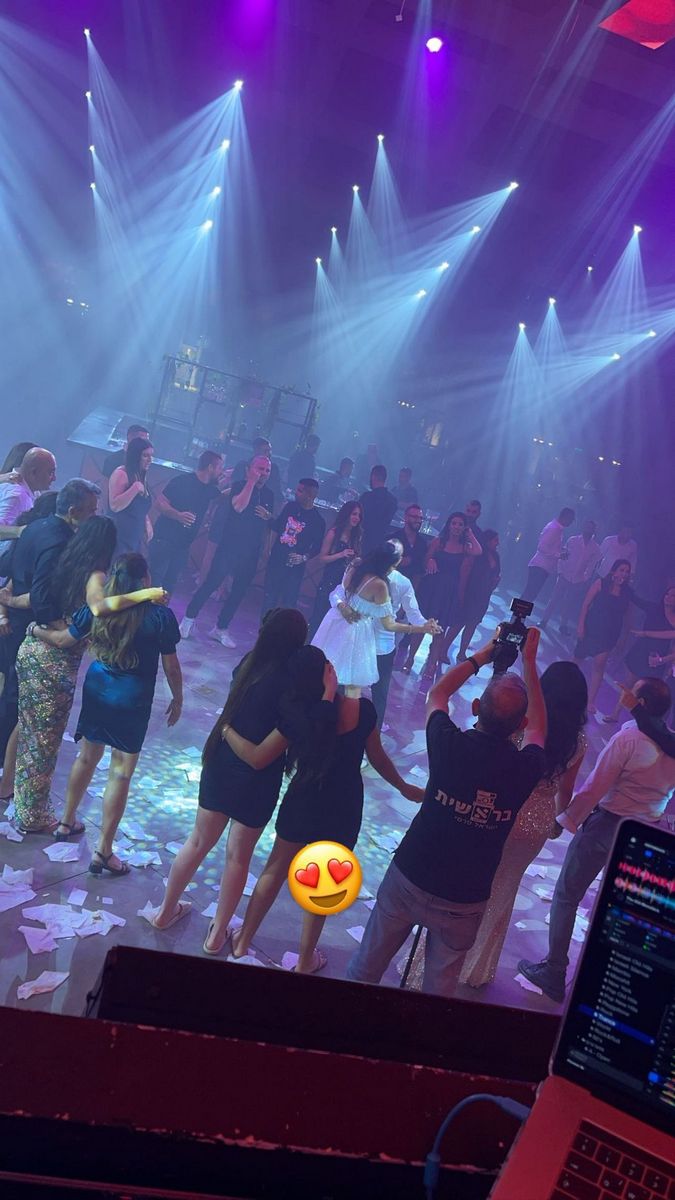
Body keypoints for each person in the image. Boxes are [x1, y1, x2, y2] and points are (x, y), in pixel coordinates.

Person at [347, 628, 547, 995]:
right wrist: (530, 663)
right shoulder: (526, 768)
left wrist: (482, 655)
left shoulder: (447, 743)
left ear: (475, 708)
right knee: (438, 994)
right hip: (465, 897)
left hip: (411, 873)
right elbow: (539, 730)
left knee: (365, 970)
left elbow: (437, 693)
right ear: (519, 725)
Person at [222, 646, 425, 973]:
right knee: (325, 881)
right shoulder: (362, 710)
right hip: (343, 803)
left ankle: (243, 941)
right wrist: (403, 786)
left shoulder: (297, 713)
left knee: (275, 868)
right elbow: (377, 757)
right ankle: (305, 962)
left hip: (303, 798)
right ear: (328, 673)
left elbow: (264, 753)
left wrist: (226, 728)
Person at [150, 609, 308, 938]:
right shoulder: (294, 686)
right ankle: (216, 934)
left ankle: (164, 913)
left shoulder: (249, 664)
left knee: (197, 842)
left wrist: (224, 730)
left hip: (222, 764)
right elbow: (262, 757)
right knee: (238, 858)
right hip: (258, 782)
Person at [519, 677, 675, 1002]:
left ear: (642, 704)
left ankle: (554, 971)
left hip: (607, 826)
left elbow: (594, 788)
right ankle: (604, 983)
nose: (624, 694)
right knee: (619, 911)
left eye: (632, 691)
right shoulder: (671, 746)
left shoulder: (628, 739)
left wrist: (564, 821)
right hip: (646, 833)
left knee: (567, 895)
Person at [31, 554, 182, 873]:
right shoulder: (160, 616)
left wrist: (35, 630)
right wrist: (178, 697)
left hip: (98, 686)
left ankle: (66, 822)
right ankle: (103, 851)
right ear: (145, 579)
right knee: (121, 772)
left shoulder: (98, 608)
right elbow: (171, 665)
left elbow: (66, 638)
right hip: (133, 696)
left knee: (87, 757)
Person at [11, 522, 165, 833]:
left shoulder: (65, 561)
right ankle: (32, 816)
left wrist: (10, 604)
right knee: (42, 744)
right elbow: (96, 610)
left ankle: (15, 797)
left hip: (32, 653)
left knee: (27, 731)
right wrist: (146, 593)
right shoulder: (94, 575)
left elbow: (36, 596)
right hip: (53, 662)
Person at [460, 661, 588, 988]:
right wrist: (557, 821)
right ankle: (477, 969)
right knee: (504, 890)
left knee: (473, 880)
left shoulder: (527, 722)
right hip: (537, 823)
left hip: (507, 805)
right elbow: (566, 790)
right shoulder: (578, 741)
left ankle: (450, 954)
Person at [0, 479, 100, 802]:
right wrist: (57, 627)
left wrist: (9, 600)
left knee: (13, 694)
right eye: (91, 510)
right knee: (21, 702)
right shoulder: (60, 542)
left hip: (17, 622)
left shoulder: (36, 527)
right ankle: (8, 772)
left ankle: (5, 769)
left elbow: (12, 568)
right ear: (72, 511)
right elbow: (42, 594)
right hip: (29, 627)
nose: (94, 516)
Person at [330, 540, 439, 727]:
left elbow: (412, 615)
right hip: (362, 642)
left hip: (376, 645)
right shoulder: (366, 573)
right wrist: (423, 627)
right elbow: (339, 593)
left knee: (363, 691)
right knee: (353, 689)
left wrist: (424, 625)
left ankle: (350, 730)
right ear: (398, 560)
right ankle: (351, 730)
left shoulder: (396, 581)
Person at [180, 456, 274, 645]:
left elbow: (268, 525)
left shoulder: (269, 495)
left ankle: (221, 628)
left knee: (238, 591)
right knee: (211, 583)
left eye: (267, 471)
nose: (263, 474)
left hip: (251, 551)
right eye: (260, 469)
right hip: (230, 546)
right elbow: (239, 507)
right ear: (249, 469)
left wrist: (268, 523)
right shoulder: (239, 486)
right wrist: (251, 482)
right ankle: (188, 619)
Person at [405, 512, 482, 678]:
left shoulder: (465, 547)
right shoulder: (439, 542)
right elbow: (425, 560)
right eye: (454, 523)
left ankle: (431, 666)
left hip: (448, 591)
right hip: (431, 588)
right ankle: (410, 659)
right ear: (449, 525)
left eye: (460, 524)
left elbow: (478, 551)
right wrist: (430, 560)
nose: (456, 527)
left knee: (439, 631)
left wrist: (469, 533)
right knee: (421, 626)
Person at [574, 559, 649, 712]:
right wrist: (581, 625)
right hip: (591, 628)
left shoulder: (628, 593)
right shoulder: (600, 583)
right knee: (577, 660)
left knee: (599, 664)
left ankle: (590, 701)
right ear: (614, 571)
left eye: (627, 571)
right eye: (622, 570)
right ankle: (563, 685)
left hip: (609, 634)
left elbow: (628, 618)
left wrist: (623, 638)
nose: (624, 574)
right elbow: (586, 604)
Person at [148, 451, 223, 594]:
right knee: (154, 581)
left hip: (183, 545)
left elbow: (224, 496)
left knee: (170, 584)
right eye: (220, 468)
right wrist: (178, 515)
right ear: (210, 468)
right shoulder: (182, 481)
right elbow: (159, 503)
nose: (222, 472)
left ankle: (160, 608)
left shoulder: (210, 489)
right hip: (165, 539)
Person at [603, 583, 675, 723]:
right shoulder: (654, 608)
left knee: (648, 691)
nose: (668, 597)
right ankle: (615, 714)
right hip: (641, 651)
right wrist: (623, 584)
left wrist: (664, 659)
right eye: (667, 594)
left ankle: (640, 723)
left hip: (657, 658)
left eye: (673, 596)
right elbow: (636, 600)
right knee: (629, 684)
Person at [262, 479, 325, 611]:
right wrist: (268, 518)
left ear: (310, 495)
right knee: (269, 598)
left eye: (300, 491)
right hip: (277, 560)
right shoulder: (290, 507)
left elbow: (317, 547)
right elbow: (278, 526)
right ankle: (264, 623)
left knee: (288, 603)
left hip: (294, 568)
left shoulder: (318, 521)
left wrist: (303, 557)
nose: (296, 493)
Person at [441, 529, 500, 664]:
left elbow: (496, 574)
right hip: (470, 593)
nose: (498, 543)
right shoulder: (477, 555)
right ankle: (442, 650)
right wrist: (461, 592)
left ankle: (462, 652)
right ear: (488, 540)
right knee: (458, 624)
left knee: (472, 624)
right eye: (495, 540)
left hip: (483, 596)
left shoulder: (495, 556)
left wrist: (494, 583)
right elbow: (466, 573)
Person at [307, 501, 363, 638]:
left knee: (335, 623)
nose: (356, 518)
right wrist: (341, 554)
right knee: (319, 618)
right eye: (354, 514)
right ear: (347, 514)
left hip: (345, 584)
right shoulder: (334, 533)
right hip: (329, 581)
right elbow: (322, 558)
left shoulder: (356, 535)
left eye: (359, 515)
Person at [540, 518, 601, 635]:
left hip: (578, 579)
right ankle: (544, 620)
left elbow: (592, 565)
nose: (588, 529)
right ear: (583, 527)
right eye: (587, 527)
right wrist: (560, 571)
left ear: (594, 530)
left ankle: (563, 625)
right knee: (554, 599)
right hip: (564, 575)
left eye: (591, 528)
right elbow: (563, 555)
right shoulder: (573, 540)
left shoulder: (595, 548)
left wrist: (585, 578)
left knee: (568, 603)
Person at [0, 448, 57, 551]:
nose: (54, 478)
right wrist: (20, 531)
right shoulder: (17, 495)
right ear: (33, 472)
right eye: (50, 472)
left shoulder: (32, 492)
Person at [109, 437, 154, 555]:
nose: (150, 460)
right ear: (135, 455)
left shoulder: (140, 475)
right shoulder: (121, 474)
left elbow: (139, 506)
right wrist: (134, 489)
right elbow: (114, 506)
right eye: (146, 455)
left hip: (134, 538)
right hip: (119, 537)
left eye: (151, 456)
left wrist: (147, 522)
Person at [524, 507, 575, 602]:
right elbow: (542, 547)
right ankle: (516, 612)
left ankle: (518, 612)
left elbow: (550, 545)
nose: (571, 522)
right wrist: (558, 555)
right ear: (565, 516)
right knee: (529, 595)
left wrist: (561, 550)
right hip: (539, 566)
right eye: (571, 519)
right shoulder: (554, 528)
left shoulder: (557, 528)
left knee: (530, 596)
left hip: (543, 567)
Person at [231, 437, 283, 511]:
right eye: (266, 451)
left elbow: (277, 491)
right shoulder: (242, 465)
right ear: (256, 450)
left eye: (270, 451)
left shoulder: (274, 469)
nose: (269, 454)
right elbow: (233, 484)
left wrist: (270, 514)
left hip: (262, 504)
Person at [359, 466, 398, 556]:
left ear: (373, 476)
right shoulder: (393, 500)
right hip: (379, 545)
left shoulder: (366, 497)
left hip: (362, 542)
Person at [393, 504, 428, 588]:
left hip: (410, 588)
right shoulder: (393, 538)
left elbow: (420, 570)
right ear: (405, 517)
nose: (418, 520)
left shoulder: (423, 543)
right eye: (415, 517)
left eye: (421, 518)